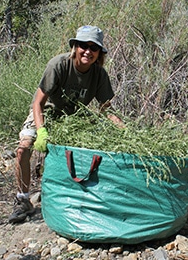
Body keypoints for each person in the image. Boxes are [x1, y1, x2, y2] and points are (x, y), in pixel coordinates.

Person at [9, 25, 123, 224]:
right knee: (23, 149)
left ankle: (71, 196)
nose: (88, 51)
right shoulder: (59, 65)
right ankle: (23, 200)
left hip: (75, 120)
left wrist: (124, 130)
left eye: (93, 48)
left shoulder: (99, 75)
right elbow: (38, 102)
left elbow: (107, 109)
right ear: (75, 47)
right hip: (46, 114)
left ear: (99, 53)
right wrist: (42, 131)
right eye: (83, 46)